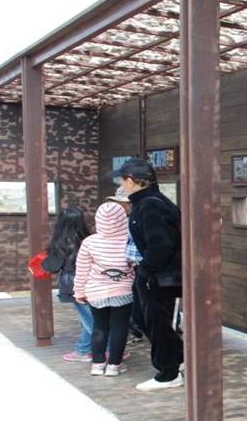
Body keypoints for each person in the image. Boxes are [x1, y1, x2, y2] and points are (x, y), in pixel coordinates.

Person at [108, 158, 184, 391]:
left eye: (121, 179)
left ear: (131, 181)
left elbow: (160, 245)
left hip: (161, 279)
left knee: (159, 324)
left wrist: (147, 272)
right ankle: (179, 360)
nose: (120, 184)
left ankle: (169, 373)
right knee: (144, 320)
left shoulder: (151, 205)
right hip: (152, 276)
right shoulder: (146, 203)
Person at [73, 202, 134, 377]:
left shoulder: (89, 242)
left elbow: (82, 269)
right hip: (123, 291)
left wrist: (79, 291)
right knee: (119, 328)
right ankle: (114, 365)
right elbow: (135, 264)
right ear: (123, 220)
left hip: (95, 291)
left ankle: (98, 364)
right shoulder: (129, 240)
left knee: (99, 327)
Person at [43, 207, 93, 361]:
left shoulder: (60, 244)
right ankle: (86, 349)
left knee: (90, 320)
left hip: (71, 284)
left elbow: (51, 267)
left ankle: (101, 350)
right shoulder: (89, 239)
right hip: (92, 282)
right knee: (90, 317)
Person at [105, 187, 146, 345]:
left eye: (121, 203)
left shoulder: (135, 219)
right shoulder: (126, 220)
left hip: (141, 267)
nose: (119, 207)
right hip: (133, 267)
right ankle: (137, 330)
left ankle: (139, 330)